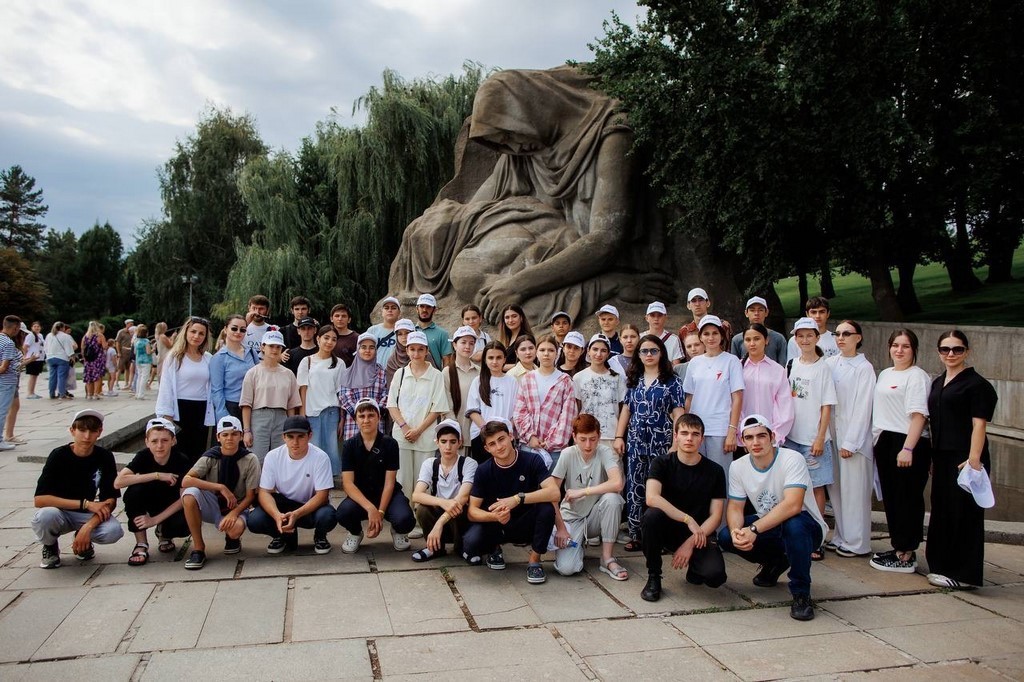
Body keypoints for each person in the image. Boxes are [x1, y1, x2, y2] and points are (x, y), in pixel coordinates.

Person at [718, 414, 828, 621]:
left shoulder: (792, 458)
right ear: (743, 441)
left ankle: (801, 593)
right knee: (725, 537)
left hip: (806, 526)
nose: (756, 442)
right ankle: (776, 562)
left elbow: (793, 505)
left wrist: (753, 530)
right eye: (749, 438)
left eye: (761, 436)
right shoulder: (738, 466)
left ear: (772, 436)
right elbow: (734, 507)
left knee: (794, 526)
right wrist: (736, 531)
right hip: (769, 524)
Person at [925, 330, 998, 589]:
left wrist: (974, 459)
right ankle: (942, 565)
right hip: (943, 457)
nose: (951, 354)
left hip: (965, 458)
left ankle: (964, 574)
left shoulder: (977, 385)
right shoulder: (938, 382)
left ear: (966, 351)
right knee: (943, 510)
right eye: (945, 349)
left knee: (964, 513)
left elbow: (979, 425)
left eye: (957, 349)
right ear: (939, 352)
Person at [641, 414, 727, 601]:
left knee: (715, 577)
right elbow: (652, 498)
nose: (689, 438)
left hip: (699, 534)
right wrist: (688, 519)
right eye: (684, 433)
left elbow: (716, 516)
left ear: (702, 439)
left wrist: (689, 544)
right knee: (651, 517)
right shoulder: (661, 463)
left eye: (695, 434)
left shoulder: (715, 471)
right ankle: (653, 576)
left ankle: (695, 570)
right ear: (676, 436)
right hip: (668, 528)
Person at [463, 419, 561, 583]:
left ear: (510, 436)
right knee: (471, 544)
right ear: (487, 448)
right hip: (497, 524)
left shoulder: (532, 460)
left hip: (525, 522)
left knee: (547, 507)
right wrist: (495, 517)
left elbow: (554, 493)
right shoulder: (483, 470)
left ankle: (534, 561)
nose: (499, 446)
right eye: (492, 444)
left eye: (501, 439)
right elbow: (472, 512)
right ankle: (494, 550)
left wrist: (517, 499)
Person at [614, 334, 686, 551]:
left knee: (662, 489)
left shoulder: (672, 381)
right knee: (635, 487)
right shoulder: (634, 379)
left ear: (661, 353)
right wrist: (619, 436)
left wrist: (676, 443)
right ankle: (637, 535)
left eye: (653, 350)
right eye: (644, 351)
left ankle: (662, 537)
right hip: (636, 443)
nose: (648, 355)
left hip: (662, 443)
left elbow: (679, 413)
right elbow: (627, 409)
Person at [870, 328, 931, 574]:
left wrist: (908, 448)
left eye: (905, 346)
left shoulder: (917, 377)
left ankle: (906, 553)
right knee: (893, 499)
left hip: (906, 442)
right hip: (885, 440)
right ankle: (898, 548)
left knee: (907, 498)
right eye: (896, 345)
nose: (899, 350)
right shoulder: (885, 374)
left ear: (914, 350)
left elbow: (919, 416)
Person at [32, 409, 124, 568]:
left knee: (113, 530)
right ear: (72, 431)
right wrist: (86, 504)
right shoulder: (59, 455)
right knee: (45, 516)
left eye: (93, 431)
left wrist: (88, 527)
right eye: (82, 430)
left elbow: (110, 499)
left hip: (87, 515)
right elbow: (40, 499)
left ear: (99, 432)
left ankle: (83, 541)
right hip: (60, 511)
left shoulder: (105, 456)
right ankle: (50, 545)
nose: (87, 436)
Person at [783, 317, 837, 560]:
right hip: (792, 436)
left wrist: (819, 437)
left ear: (817, 337)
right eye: (800, 336)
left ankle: (818, 537)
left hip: (812, 438)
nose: (805, 340)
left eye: (809, 335)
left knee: (816, 487)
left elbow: (827, 406)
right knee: (793, 487)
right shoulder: (791, 364)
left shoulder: (824, 367)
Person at [550, 414, 627, 580]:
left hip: (595, 516)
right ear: (574, 437)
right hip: (572, 517)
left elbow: (617, 483)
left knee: (612, 500)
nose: (588, 445)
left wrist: (583, 491)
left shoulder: (604, 451)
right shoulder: (567, 454)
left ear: (599, 436)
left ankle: (607, 558)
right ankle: (577, 548)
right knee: (567, 569)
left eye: (593, 439)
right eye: (583, 439)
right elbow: (552, 493)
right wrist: (561, 528)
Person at [180, 415, 261, 569]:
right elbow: (186, 480)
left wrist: (234, 513)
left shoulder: (250, 459)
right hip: (214, 502)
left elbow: (251, 496)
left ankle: (232, 539)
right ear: (218, 437)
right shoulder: (211, 456)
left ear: (241, 436)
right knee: (189, 494)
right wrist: (220, 487)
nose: (229, 438)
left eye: (234, 434)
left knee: (235, 530)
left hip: (237, 504)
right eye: (225, 435)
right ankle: (198, 548)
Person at [247, 416, 338, 554]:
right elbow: (264, 492)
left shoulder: (321, 457)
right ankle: (280, 535)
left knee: (328, 515)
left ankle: (320, 536)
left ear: (310, 436)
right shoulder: (272, 457)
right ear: (283, 437)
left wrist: (296, 514)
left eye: (301, 436)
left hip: (309, 506)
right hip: (283, 506)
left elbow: (322, 495)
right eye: (290, 437)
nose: (295, 442)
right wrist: (277, 515)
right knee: (254, 520)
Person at [336, 398, 416, 553]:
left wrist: (380, 512)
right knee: (343, 513)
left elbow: (389, 483)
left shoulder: (390, 444)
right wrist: (370, 508)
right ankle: (354, 532)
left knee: (405, 519)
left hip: (387, 494)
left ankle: (398, 531)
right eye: (362, 416)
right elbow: (348, 484)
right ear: (355, 419)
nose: (366, 420)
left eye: (371, 415)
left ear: (379, 418)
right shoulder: (349, 446)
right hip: (361, 496)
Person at [824, 320, 875, 558]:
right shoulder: (830, 363)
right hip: (832, 435)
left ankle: (857, 541)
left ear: (858, 337)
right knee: (837, 491)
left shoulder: (864, 368)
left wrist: (851, 442)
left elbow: (864, 407)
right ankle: (841, 535)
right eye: (838, 334)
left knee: (855, 492)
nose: (841, 337)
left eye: (847, 333)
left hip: (852, 440)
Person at [114, 418, 191, 565]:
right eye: (154, 441)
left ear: (173, 441)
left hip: (169, 502)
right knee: (133, 492)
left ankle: (164, 534)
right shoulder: (143, 456)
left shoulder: (181, 459)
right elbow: (118, 482)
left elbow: (184, 497)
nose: (159, 446)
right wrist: (157, 475)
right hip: (148, 500)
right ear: (147, 442)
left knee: (184, 521)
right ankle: (141, 543)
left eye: (164, 440)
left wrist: (155, 520)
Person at [386, 330, 451, 492]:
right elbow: (392, 405)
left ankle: (421, 515)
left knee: (424, 480)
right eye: (412, 349)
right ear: (406, 350)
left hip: (426, 436)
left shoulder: (436, 375)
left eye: (421, 349)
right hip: (402, 436)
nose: (416, 353)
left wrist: (418, 430)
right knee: (403, 480)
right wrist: (405, 428)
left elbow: (437, 408)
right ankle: (406, 516)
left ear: (427, 351)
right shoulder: (400, 374)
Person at [683, 315, 744, 484]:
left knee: (721, 479)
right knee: (696, 479)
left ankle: (722, 512)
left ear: (721, 335)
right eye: (706, 333)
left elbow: (737, 397)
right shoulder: (695, 363)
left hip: (720, 430)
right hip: (696, 430)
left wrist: (732, 431)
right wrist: (684, 427)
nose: (711, 338)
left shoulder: (731, 361)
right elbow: (689, 398)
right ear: (701, 337)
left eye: (715, 333)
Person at [410, 419, 478, 561]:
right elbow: (416, 495)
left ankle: (462, 547)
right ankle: (435, 548)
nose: (448, 447)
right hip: (442, 510)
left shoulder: (468, 463)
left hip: (459, 515)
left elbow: (463, 497)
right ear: (437, 442)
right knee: (422, 509)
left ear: (459, 443)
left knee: (458, 507)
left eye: (453, 442)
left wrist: (439, 524)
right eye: (444, 441)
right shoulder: (430, 464)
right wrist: (442, 502)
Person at [513, 334, 578, 470]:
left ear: (557, 353)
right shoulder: (527, 379)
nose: (546, 354)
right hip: (528, 445)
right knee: (528, 487)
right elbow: (520, 411)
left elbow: (568, 416)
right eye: (542, 350)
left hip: (554, 449)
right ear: (536, 352)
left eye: (551, 350)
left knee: (552, 488)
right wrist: (530, 436)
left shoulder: (565, 381)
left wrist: (550, 442)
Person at [155, 316, 215, 462]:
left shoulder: (208, 358)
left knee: (198, 451)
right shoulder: (175, 357)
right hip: (180, 411)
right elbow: (166, 387)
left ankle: (193, 483)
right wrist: (166, 416)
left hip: (201, 409)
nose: (196, 336)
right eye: (193, 331)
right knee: (179, 452)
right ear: (186, 332)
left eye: (201, 333)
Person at [240, 330, 302, 463]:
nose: (274, 350)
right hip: (259, 417)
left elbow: (291, 405)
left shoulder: (288, 374)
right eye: (271, 346)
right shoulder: (253, 373)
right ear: (263, 347)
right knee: (257, 459)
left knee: (281, 458)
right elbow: (246, 404)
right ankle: (257, 484)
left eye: (278, 347)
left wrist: (291, 428)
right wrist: (246, 431)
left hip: (281, 417)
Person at [297, 325, 347, 476]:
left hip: (332, 411)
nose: (329, 342)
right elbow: (302, 389)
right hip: (312, 412)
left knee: (332, 448)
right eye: (326, 338)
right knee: (314, 447)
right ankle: (313, 478)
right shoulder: (307, 361)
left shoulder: (339, 363)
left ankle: (330, 481)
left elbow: (342, 392)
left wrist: (342, 419)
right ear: (318, 339)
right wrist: (302, 413)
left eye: (333, 339)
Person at [739, 323, 794, 445]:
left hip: (770, 437)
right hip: (742, 437)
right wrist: (741, 434)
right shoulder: (737, 368)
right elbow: (733, 403)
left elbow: (785, 406)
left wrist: (776, 435)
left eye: (757, 339)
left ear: (766, 340)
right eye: (748, 339)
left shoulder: (777, 370)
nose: (752, 343)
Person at [465, 341, 518, 463]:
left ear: (505, 359)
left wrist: (506, 431)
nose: (495, 361)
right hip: (482, 436)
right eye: (491, 357)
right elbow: (473, 411)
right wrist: (486, 431)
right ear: (484, 360)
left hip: (505, 436)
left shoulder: (512, 381)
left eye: (499, 357)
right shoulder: (478, 381)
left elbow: (516, 412)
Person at [573, 334, 626, 450]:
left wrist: (619, 436)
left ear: (608, 354)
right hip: (585, 435)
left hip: (610, 437)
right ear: (588, 351)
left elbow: (623, 410)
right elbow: (575, 408)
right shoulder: (578, 378)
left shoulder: (618, 378)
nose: (598, 354)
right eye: (595, 349)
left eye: (603, 350)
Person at [339, 332, 389, 443]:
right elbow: (345, 397)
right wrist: (360, 415)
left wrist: (375, 413)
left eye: (372, 348)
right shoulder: (349, 373)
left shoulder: (381, 372)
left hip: (377, 422)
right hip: (354, 423)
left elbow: (386, 394)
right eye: (363, 347)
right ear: (358, 349)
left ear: (376, 351)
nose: (367, 351)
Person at [210, 314, 261, 421]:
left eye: (242, 330)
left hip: (252, 405)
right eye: (234, 328)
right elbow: (216, 390)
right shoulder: (219, 357)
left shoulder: (252, 352)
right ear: (225, 329)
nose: (238, 332)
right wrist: (222, 414)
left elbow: (259, 378)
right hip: (231, 406)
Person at [444, 326, 480, 456]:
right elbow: (446, 405)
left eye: (471, 343)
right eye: (463, 342)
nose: (467, 346)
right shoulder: (448, 372)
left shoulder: (479, 372)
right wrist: (455, 430)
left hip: (477, 431)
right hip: (458, 432)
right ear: (454, 344)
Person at [730, 296, 787, 364]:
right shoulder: (737, 340)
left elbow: (783, 365)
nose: (756, 313)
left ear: (766, 312)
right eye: (752, 310)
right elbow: (735, 366)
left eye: (760, 310)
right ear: (746, 313)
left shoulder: (778, 338)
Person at [678, 288, 732, 355]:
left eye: (701, 300)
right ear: (688, 305)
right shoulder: (684, 330)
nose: (697, 304)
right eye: (693, 301)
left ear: (708, 303)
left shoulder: (723, 326)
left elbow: (729, 350)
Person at [787, 296, 839, 363]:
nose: (818, 316)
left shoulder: (836, 339)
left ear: (828, 313)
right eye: (813, 312)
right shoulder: (794, 340)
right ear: (807, 314)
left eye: (822, 312)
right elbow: (791, 366)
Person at [0, 316, 24, 451]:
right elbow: (4, 367)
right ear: (15, 327)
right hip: (6, 382)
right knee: (2, 411)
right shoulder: (8, 343)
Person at [415, 293, 453, 368]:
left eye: (428, 307)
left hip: (434, 378)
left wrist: (444, 379)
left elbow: (447, 360)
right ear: (417, 309)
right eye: (421, 306)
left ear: (434, 310)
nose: (424, 310)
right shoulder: (410, 331)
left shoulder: (442, 334)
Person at [367, 296, 402, 367]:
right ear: (382, 312)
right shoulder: (372, 330)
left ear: (399, 312)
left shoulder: (403, 332)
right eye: (386, 308)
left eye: (393, 308)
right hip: (374, 372)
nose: (390, 310)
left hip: (394, 372)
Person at [44, 320, 76, 399]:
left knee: (52, 377)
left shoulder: (49, 335)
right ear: (62, 327)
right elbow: (68, 347)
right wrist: (71, 356)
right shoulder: (65, 336)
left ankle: (51, 394)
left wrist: (48, 355)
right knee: (61, 377)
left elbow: (45, 347)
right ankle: (62, 394)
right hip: (62, 358)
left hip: (50, 357)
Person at [384, 318, 417, 388]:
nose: (404, 337)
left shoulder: (423, 355)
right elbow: (391, 388)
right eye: (400, 334)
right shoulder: (392, 360)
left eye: (407, 333)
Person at [81, 321, 107, 401]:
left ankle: (89, 394)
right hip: (98, 359)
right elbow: (105, 347)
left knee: (89, 377)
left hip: (88, 360)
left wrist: (84, 358)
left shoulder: (85, 336)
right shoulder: (100, 336)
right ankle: (96, 394)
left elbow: (82, 348)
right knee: (97, 377)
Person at [22, 320, 45, 400]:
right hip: (32, 359)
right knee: (32, 376)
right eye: (35, 326)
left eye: (38, 326)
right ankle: (29, 393)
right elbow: (25, 346)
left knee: (35, 376)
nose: (36, 328)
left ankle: (33, 392)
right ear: (31, 328)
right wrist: (26, 355)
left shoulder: (40, 335)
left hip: (39, 358)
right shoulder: (30, 335)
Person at [133, 324, 155, 400]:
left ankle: (137, 393)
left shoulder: (137, 341)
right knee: (144, 378)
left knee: (139, 377)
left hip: (138, 361)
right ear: (146, 333)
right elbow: (148, 352)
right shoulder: (146, 341)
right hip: (146, 361)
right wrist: (153, 349)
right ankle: (141, 394)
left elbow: (135, 352)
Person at [114, 318, 135, 391]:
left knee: (128, 368)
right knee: (119, 368)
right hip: (122, 352)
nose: (132, 325)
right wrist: (118, 352)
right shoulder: (121, 332)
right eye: (130, 324)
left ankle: (126, 383)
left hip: (130, 352)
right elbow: (117, 342)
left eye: (132, 324)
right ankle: (116, 383)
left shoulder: (132, 332)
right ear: (126, 324)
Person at [151, 321, 173, 388]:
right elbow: (170, 346)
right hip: (165, 355)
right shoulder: (163, 336)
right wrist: (173, 337)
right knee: (165, 372)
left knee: (160, 372)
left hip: (161, 355)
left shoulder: (157, 335)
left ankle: (161, 386)